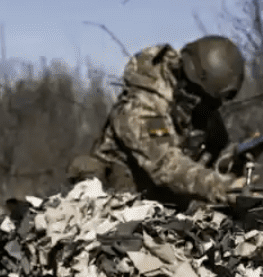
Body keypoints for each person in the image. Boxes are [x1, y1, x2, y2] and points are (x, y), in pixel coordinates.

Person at [69, 35, 247, 206]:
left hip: (163, 204)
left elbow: (217, 148)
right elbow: (166, 166)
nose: (214, 108)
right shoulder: (141, 107)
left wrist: (238, 158)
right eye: (210, 101)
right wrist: (221, 187)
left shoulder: (194, 106)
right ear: (192, 87)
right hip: (117, 203)